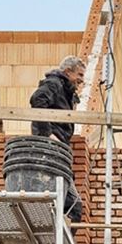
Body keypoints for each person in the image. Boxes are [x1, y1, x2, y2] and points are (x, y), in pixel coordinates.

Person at [29, 56, 88, 218]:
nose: (82, 80)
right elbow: (37, 99)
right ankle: (57, 241)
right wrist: (47, 133)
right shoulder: (54, 83)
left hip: (57, 152)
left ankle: (57, 240)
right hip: (49, 151)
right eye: (80, 75)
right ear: (68, 72)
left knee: (71, 207)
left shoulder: (66, 89)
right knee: (73, 208)